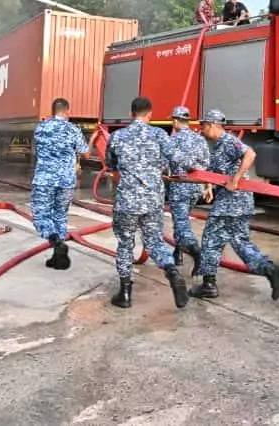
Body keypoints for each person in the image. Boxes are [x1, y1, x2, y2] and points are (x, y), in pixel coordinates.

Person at [189, 110, 279, 300]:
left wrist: (235, 179)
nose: (202, 129)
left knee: (211, 240)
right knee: (240, 241)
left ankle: (209, 284)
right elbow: (215, 171)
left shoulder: (228, 141)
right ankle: (270, 270)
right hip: (239, 203)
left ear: (212, 125)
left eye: (204, 126)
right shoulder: (218, 146)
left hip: (230, 203)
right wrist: (209, 186)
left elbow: (250, 154)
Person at [105, 97, 188, 311]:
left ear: (131, 113)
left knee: (125, 244)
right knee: (155, 242)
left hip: (127, 201)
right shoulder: (159, 134)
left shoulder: (117, 136)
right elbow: (178, 159)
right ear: (150, 114)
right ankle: (171, 271)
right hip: (152, 200)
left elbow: (112, 166)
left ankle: (125, 294)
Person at [31, 98, 89, 270]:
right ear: (67, 111)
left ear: (53, 110)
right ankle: (59, 258)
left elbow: (37, 149)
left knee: (41, 215)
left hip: (45, 179)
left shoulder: (41, 127)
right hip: (66, 181)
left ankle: (56, 241)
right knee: (60, 216)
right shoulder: (73, 129)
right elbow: (85, 153)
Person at [165, 105, 210, 276]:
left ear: (176, 121)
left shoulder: (173, 140)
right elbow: (206, 163)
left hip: (180, 187)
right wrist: (206, 185)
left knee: (181, 224)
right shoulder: (200, 139)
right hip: (196, 187)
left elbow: (165, 164)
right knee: (182, 220)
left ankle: (197, 254)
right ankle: (178, 254)